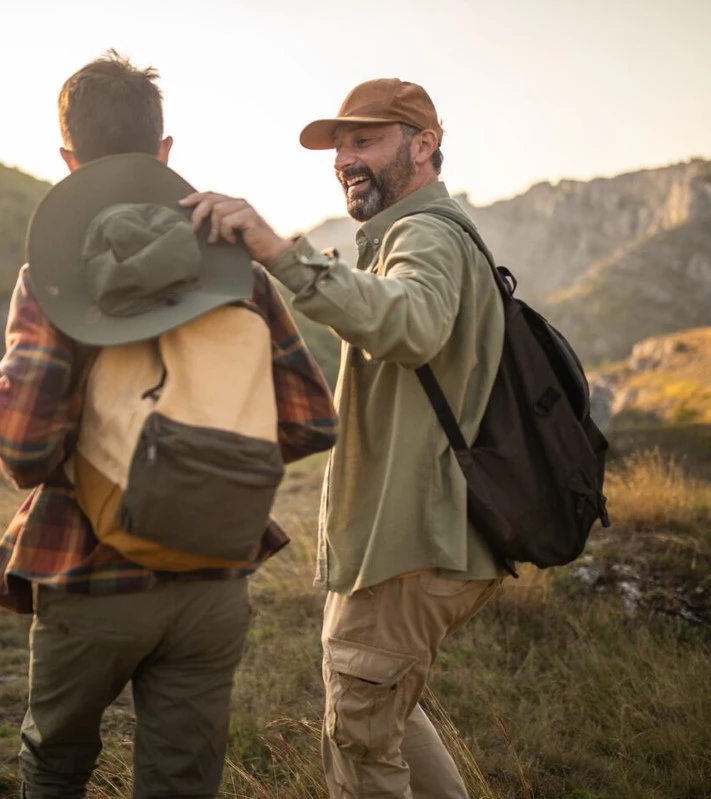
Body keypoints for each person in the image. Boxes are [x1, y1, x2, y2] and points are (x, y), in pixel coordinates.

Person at [0, 51, 337, 799]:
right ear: (164, 150)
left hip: (90, 572)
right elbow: (310, 422)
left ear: (68, 160)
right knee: (181, 781)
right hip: (216, 576)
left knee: (56, 766)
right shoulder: (240, 273)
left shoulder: (54, 278)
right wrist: (206, 457)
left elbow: (22, 446)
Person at [183, 78, 507, 798]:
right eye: (339, 147)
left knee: (361, 742)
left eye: (365, 140)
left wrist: (280, 253)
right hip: (418, 536)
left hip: (409, 540)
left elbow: (412, 323)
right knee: (383, 717)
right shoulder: (413, 235)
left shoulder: (423, 233)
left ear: (424, 146)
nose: (344, 159)